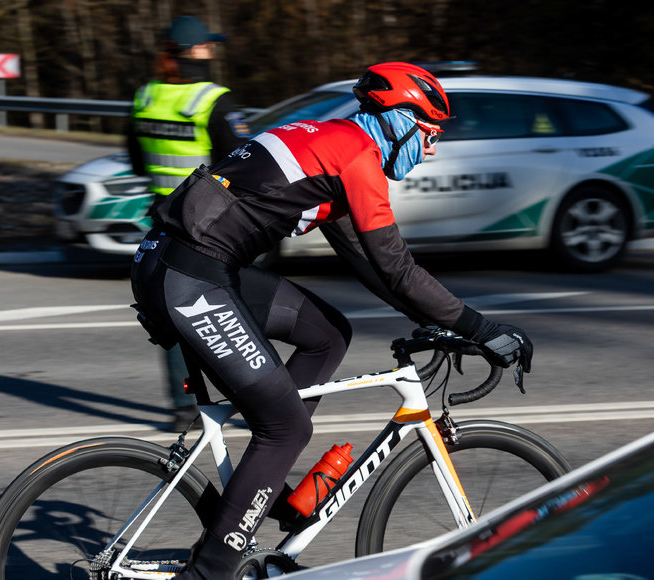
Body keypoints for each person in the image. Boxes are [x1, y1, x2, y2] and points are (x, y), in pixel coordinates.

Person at [130, 62, 533, 579]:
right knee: (285, 428)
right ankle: (209, 572)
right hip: (189, 274)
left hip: (183, 262)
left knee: (327, 333)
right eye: (429, 135)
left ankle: (259, 490)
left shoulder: (331, 141)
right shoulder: (356, 158)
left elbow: (374, 269)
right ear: (401, 118)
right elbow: (397, 266)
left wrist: (444, 321)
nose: (430, 150)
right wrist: (480, 328)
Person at [126, 15, 251, 431]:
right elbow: (243, 166)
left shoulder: (146, 96)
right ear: (195, 51)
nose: (213, 50)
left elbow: (136, 160)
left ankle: (185, 406)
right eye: (208, 45)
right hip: (211, 225)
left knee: (173, 312)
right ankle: (255, 397)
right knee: (232, 312)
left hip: (163, 220)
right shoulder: (213, 100)